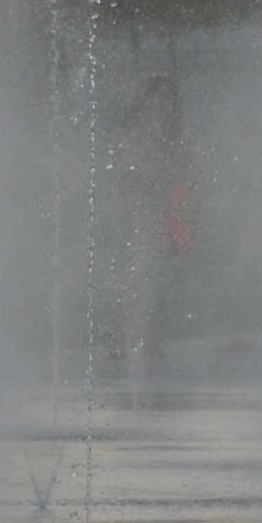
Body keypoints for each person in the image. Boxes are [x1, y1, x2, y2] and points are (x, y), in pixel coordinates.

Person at [107, 75, 190, 402]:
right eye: (157, 99)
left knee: (148, 277)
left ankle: (140, 337)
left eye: (166, 101)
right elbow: (125, 171)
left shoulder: (164, 136)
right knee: (135, 275)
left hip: (155, 213)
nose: (162, 107)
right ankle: (126, 337)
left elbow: (176, 172)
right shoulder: (131, 134)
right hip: (134, 213)